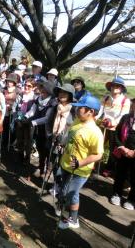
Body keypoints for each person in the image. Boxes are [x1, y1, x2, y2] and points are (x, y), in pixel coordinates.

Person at [57, 95, 104, 229]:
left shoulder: (95, 132)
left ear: (91, 112)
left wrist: (80, 163)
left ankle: (70, 218)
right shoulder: (77, 120)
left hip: (80, 170)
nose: (77, 110)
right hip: (66, 163)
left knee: (70, 193)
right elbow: (70, 134)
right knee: (68, 191)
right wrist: (62, 143)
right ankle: (70, 214)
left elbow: (98, 154)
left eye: (81, 108)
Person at [97, 77, 130, 177]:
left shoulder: (125, 101)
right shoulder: (106, 98)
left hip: (115, 128)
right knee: (98, 145)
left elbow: (123, 115)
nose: (114, 87)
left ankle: (109, 168)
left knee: (113, 149)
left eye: (117, 86)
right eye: (113, 85)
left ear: (121, 89)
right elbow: (100, 111)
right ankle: (94, 163)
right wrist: (95, 118)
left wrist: (112, 122)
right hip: (103, 125)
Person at [25, 81, 57, 178]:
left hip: (48, 130)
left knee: (47, 150)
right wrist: (25, 116)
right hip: (38, 129)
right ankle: (41, 167)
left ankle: (47, 170)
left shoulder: (53, 102)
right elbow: (32, 111)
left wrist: (34, 122)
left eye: (44, 89)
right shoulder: (38, 99)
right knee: (40, 148)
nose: (42, 91)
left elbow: (47, 118)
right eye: (41, 89)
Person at [110, 98, 135, 210]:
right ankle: (116, 194)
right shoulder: (126, 118)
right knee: (120, 173)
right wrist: (122, 147)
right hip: (123, 152)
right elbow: (117, 133)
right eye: (134, 105)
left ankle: (132, 199)